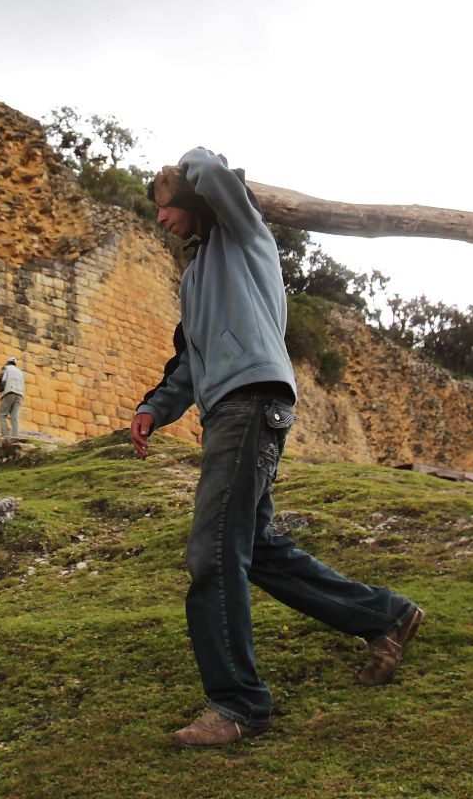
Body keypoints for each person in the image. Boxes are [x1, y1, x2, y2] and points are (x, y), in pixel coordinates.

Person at [131, 147, 424, 748]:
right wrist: (155, 408)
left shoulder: (245, 233)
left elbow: (212, 171)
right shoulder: (192, 279)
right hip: (225, 414)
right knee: (254, 549)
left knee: (212, 556)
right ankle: (385, 617)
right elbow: (188, 361)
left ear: (192, 201)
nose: (159, 221)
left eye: (164, 208)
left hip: (251, 402)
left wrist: (185, 162)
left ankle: (238, 704)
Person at [0, 356, 25, 439]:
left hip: (9, 392)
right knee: (14, 416)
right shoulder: (20, 372)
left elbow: (2, 379)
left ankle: (5, 435)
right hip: (19, 394)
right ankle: (16, 436)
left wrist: (0, 389)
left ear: (8, 362)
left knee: (2, 415)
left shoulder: (6, 368)